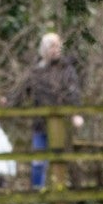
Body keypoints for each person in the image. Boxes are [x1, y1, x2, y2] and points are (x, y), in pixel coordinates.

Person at [10, 31, 86, 191]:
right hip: (40, 124)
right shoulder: (36, 71)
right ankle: (38, 194)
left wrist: (76, 113)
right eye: (52, 46)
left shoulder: (66, 69)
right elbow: (21, 92)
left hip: (62, 123)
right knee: (38, 161)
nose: (56, 49)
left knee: (62, 160)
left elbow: (73, 92)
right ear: (44, 50)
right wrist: (9, 104)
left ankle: (66, 193)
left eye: (58, 46)